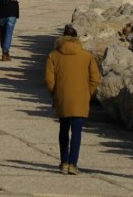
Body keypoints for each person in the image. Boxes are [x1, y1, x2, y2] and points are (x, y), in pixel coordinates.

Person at [45, 23, 101, 175]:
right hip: (80, 98)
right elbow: (95, 78)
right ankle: (73, 164)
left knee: (63, 130)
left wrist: (56, 93)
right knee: (77, 132)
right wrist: (87, 93)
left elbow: (49, 79)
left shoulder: (54, 55)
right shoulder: (86, 55)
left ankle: (63, 162)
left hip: (62, 97)